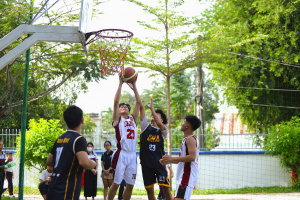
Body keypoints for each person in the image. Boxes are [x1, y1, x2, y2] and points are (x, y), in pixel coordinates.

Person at [46, 105, 97, 200]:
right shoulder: (79, 139)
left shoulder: (60, 139)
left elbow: (49, 161)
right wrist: (93, 164)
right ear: (82, 120)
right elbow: (84, 163)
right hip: (66, 190)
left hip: (53, 187)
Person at [107, 77, 141, 200]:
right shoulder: (118, 120)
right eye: (122, 106)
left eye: (126, 106)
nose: (124, 106)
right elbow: (116, 102)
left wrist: (135, 86)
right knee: (116, 184)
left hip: (132, 155)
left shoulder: (132, 119)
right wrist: (120, 84)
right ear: (119, 111)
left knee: (130, 185)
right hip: (122, 154)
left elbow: (138, 103)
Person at [139, 98, 172, 200]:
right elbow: (141, 108)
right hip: (146, 164)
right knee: (149, 190)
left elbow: (159, 124)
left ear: (161, 120)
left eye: (157, 115)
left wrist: (152, 108)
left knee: (165, 189)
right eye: (153, 114)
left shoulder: (164, 130)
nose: (153, 115)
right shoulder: (145, 127)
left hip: (159, 164)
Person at [161, 115, 201, 200]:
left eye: (184, 122)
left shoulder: (190, 139)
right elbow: (183, 159)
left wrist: (172, 159)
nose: (182, 124)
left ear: (188, 126)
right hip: (183, 177)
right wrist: (167, 160)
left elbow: (192, 157)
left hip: (187, 177)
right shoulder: (187, 139)